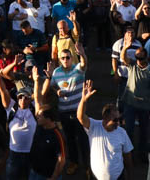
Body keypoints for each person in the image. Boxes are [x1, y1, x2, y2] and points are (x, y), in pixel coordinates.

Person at [77, 80, 134, 180]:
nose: (118, 123)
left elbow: (127, 156)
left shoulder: (122, 132)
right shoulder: (94, 127)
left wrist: (130, 175)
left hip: (118, 177)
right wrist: (84, 100)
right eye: (115, 120)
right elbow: (80, 117)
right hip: (96, 177)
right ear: (105, 117)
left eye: (119, 119)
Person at [50, 43, 88, 175]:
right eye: (63, 58)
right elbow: (53, 86)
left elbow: (83, 63)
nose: (65, 60)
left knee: (83, 139)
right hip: (64, 112)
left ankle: (88, 165)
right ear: (59, 59)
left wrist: (82, 54)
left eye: (67, 57)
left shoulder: (78, 69)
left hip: (78, 111)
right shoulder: (56, 72)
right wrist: (57, 92)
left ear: (72, 58)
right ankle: (74, 163)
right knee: (70, 139)